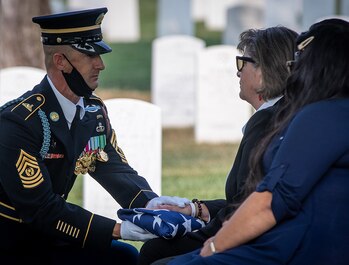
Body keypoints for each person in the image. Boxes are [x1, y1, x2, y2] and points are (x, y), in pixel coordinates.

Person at [0, 7, 188, 265]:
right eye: (89, 55)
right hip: (11, 243)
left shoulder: (92, 112)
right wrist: (118, 229)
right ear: (60, 62)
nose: (100, 64)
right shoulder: (19, 122)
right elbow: (40, 209)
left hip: (49, 237)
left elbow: (112, 167)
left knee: (123, 258)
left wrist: (152, 205)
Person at [158, 18, 349, 265]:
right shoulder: (334, 113)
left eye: (299, 64)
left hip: (295, 247)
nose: (294, 73)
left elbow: (271, 201)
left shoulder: (321, 116)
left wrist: (216, 245)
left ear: (318, 68)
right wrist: (199, 211)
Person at [138, 26, 298, 265]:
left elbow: (247, 211)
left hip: (256, 245)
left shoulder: (268, 123)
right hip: (264, 235)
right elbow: (248, 198)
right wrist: (197, 210)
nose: (238, 73)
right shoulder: (286, 113)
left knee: (154, 253)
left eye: (243, 63)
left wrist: (205, 241)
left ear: (263, 73)